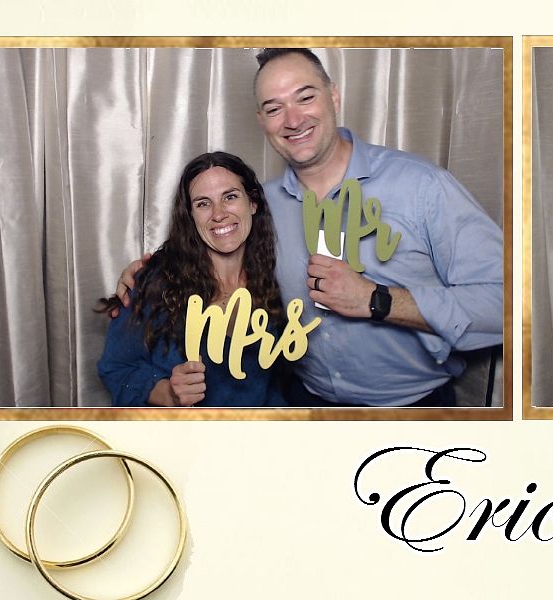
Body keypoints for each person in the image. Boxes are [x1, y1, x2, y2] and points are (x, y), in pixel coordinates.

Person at [118, 48, 506, 407]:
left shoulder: (422, 186)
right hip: (304, 405)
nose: (293, 120)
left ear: (333, 96)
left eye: (305, 97)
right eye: (274, 108)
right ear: (262, 121)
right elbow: (208, 249)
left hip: (413, 409)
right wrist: (145, 276)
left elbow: (506, 304)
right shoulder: (262, 208)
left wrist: (378, 300)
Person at [98, 152, 287, 407]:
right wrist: (167, 392)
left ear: (252, 203)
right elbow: (116, 368)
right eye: (203, 203)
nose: (219, 214)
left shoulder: (280, 279)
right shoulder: (153, 283)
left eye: (230, 197)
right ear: (190, 215)